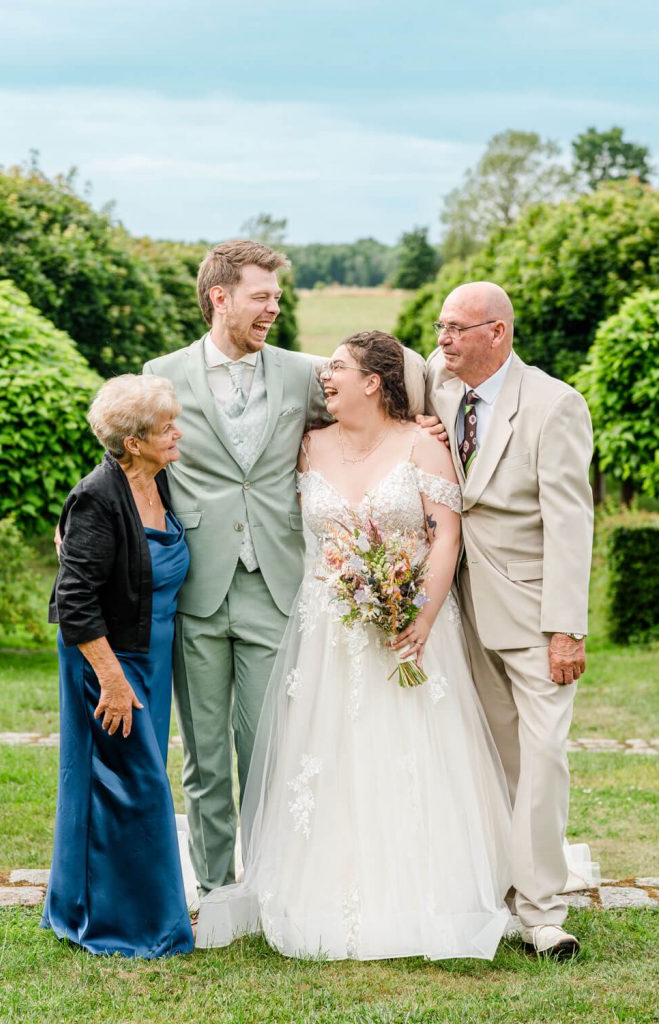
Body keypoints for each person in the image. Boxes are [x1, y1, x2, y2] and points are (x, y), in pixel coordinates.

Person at [196, 330, 512, 960]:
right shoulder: (307, 445)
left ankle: (422, 888)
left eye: (337, 367)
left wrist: (420, 616)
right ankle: (326, 885)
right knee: (330, 753)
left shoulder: (423, 443)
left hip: (412, 628)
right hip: (329, 631)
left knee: (412, 753)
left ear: (373, 381)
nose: (325, 376)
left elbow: (445, 538)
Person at [142, 241, 427, 908]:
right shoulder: (163, 373)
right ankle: (216, 888)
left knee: (270, 747)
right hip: (196, 586)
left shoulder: (304, 373)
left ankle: (269, 885)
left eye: (277, 296)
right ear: (220, 298)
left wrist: (418, 427)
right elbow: (134, 456)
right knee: (204, 755)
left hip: (278, 586)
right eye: (261, 296)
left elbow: (376, 396)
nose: (273, 307)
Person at [419, 282, 594, 958]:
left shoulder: (553, 405)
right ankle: (495, 886)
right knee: (493, 758)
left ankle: (543, 912)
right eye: (440, 326)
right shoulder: (434, 382)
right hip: (457, 612)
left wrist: (566, 629)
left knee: (543, 757)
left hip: (533, 615)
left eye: (456, 329)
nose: (443, 339)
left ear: (496, 332)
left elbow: (570, 523)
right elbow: (359, 371)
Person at [42, 374, 194, 959]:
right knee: (133, 788)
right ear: (133, 443)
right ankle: (132, 926)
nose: (177, 433)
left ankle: (91, 906)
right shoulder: (98, 497)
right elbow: (74, 599)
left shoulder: (161, 480)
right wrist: (110, 679)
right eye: (166, 428)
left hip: (149, 657)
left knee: (131, 782)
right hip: (108, 661)